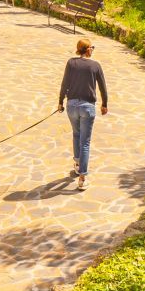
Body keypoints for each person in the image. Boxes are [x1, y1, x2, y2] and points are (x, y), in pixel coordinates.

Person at [57, 38, 108, 190]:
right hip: (87, 107)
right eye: (92, 47)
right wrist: (104, 104)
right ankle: (82, 178)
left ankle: (78, 164)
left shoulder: (71, 63)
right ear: (87, 49)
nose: (93, 49)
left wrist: (60, 102)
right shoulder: (95, 66)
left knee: (76, 134)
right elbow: (103, 87)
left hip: (72, 106)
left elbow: (64, 83)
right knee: (85, 141)